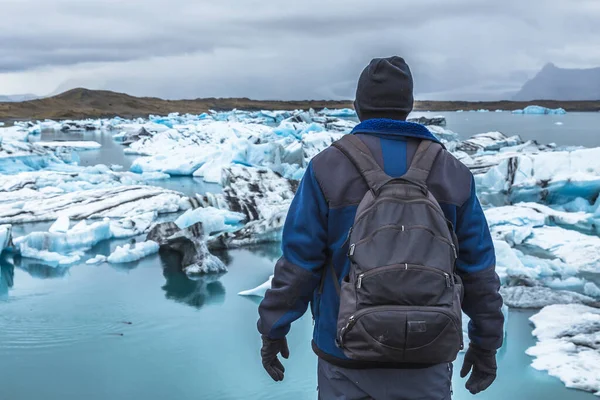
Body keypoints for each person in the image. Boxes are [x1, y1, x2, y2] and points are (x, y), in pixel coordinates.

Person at [257, 56, 504, 399]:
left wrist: (273, 327)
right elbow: (478, 270)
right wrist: (486, 343)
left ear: (358, 106)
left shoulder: (327, 168)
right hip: (429, 351)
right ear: (409, 105)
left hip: (345, 352)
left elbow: (300, 263)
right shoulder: (452, 171)